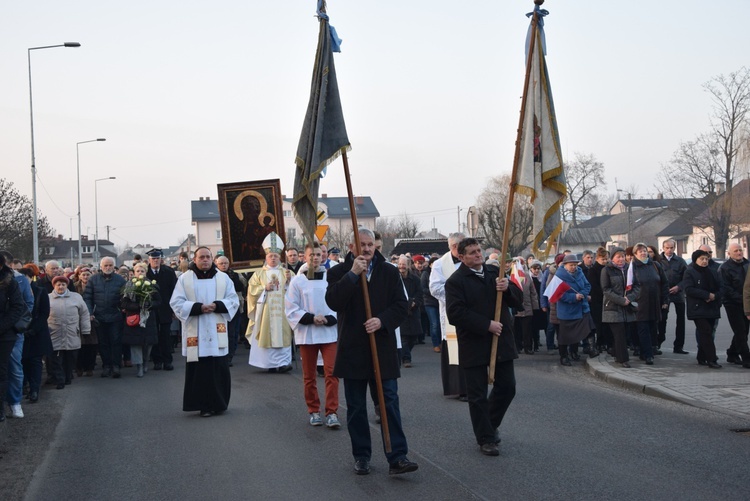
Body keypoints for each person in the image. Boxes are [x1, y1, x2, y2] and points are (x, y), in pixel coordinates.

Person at [325, 228, 417, 476]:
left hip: (382, 347)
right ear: (351, 246)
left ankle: (397, 456)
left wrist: (382, 321)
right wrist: (353, 275)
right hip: (353, 348)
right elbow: (333, 301)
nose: (366, 249)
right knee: (356, 407)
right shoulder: (338, 272)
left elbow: (401, 305)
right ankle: (362, 456)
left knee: (389, 402)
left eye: (370, 244)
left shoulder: (388, 271)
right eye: (361, 244)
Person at [445, 238, 523, 456]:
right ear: (461, 257)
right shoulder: (455, 281)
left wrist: (507, 289)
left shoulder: (494, 272)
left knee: (507, 387)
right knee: (477, 395)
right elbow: (455, 313)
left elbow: (518, 301)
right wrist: (485, 324)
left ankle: (489, 423)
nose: (478, 255)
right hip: (474, 343)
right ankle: (486, 438)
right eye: (472, 252)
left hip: (501, 341)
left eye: (479, 250)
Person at [170, 246, 239, 417]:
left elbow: (233, 300)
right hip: (196, 330)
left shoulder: (223, 278)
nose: (205, 260)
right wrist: (198, 307)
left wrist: (217, 305)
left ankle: (220, 403)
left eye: (208, 257)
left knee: (219, 368)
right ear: (195, 259)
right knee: (200, 371)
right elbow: (176, 302)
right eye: (202, 257)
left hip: (217, 331)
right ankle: (204, 405)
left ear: (212, 259)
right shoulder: (185, 279)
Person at [285, 242, 340, 428]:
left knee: (331, 374)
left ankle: (332, 412)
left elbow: (341, 302)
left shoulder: (331, 277)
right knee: (309, 376)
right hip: (307, 332)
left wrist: (330, 318)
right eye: (312, 255)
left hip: (329, 332)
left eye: (318, 254)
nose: (315, 258)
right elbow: (291, 307)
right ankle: (314, 410)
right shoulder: (298, 281)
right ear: (305, 257)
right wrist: (310, 318)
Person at [246, 232, 294, 373]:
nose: (273, 258)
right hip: (265, 311)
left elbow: (295, 291)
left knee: (283, 334)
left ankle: (284, 363)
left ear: (280, 257)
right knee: (266, 334)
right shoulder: (259, 274)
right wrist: (264, 288)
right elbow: (251, 291)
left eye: (276, 256)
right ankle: (268, 364)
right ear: (266, 257)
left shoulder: (287, 272)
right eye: (270, 256)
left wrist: (290, 282)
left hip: (283, 311)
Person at [429, 232, 468, 398]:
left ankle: (471, 386)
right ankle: (458, 388)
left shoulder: (469, 260)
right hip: (452, 312)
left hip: (470, 312)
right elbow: (435, 288)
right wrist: (457, 297)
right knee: (455, 352)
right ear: (454, 247)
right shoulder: (440, 264)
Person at [84, 257, 126, 378]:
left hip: (115, 316)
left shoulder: (120, 280)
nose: (108, 268)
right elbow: (87, 297)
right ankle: (106, 366)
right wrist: (90, 312)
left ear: (114, 266)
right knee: (103, 343)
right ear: (101, 266)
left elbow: (125, 297)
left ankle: (116, 366)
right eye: (106, 265)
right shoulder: (93, 279)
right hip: (99, 317)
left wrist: (122, 307)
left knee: (116, 342)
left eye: (110, 265)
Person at [47, 276, 91, 389]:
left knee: (70, 357)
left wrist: (85, 330)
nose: (61, 286)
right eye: (58, 284)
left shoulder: (76, 297)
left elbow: (84, 314)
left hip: (72, 332)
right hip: (54, 333)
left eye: (63, 284)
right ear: (54, 286)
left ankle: (68, 376)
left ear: (67, 285)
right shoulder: (48, 298)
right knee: (56, 359)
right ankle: (59, 380)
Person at [552, 254, 594, 366]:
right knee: (565, 336)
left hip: (581, 308)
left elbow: (587, 285)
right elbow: (558, 294)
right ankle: (564, 356)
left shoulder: (580, 272)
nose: (573, 267)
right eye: (571, 265)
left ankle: (575, 352)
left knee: (579, 332)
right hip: (567, 310)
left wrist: (582, 294)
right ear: (565, 265)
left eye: (575, 265)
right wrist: (573, 297)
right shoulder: (559, 276)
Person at [19, 265, 53, 403]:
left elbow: (45, 312)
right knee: (24, 362)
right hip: (22, 331)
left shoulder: (40, 291)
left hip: (37, 332)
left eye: (26, 278)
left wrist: (34, 329)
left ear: (30, 278)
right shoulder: (17, 291)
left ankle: (34, 390)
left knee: (36, 362)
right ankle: (26, 386)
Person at [684, 249, 723, 368]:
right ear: (696, 260)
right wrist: (706, 295)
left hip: (712, 307)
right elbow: (689, 289)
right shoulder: (690, 272)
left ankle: (701, 357)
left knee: (708, 333)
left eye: (706, 259)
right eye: (702, 259)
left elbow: (721, 287)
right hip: (697, 308)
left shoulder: (712, 272)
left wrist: (714, 296)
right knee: (705, 331)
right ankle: (712, 359)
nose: (705, 261)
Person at [631, 243, 669, 365]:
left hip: (655, 302)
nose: (643, 253)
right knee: (643, 329)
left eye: (644, 251)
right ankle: (648, 355)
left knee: (653, 328)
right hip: (640, 303)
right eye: (640, 251)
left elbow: (664, 283)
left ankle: (645, 352)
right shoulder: (632, 267)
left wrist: (665, 300)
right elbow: (628, 286)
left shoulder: (655, 265)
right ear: (635, 254)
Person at [601, 247, 639, 368]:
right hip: (612, 306)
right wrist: (621, 300)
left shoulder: (629, 269)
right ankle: (623, 359)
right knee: (619, 333)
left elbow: (637, 286)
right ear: (612, 258)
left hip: (627, 307)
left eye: (623, 256)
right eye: (618, 256)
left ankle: (617, 354)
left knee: (625, 333)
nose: (621, 259)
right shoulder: (607, 270)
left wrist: (630, 298)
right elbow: (606, 290)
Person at [121, 263, 160, 378]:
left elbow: (159, 301)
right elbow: (123, 303)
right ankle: (139, 366)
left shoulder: (152, 285)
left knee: (148, 344)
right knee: (135, 344)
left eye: (142, 271)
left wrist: (149, 304)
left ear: (146, 272)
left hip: (148, 318)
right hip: (134, 319)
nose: (140, 273)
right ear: (134, 272)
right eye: (138, 271)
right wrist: (137, 306)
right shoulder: (128, 286)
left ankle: (145, 361)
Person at [0, 253, 26, 422]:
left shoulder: (10, 282)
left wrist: (2, 326)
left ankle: (1, 407)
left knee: (2, 370)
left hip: (4, 334)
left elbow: (18, 307)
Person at [146, 248, 178, 372]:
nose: (155, 261)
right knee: (154, 336)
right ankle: (157, 361)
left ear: (161, 259)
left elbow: (175, 291)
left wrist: (174, 309)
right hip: (151, 310)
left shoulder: (168, 272)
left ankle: (167, 361)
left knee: (165, 336)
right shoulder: (146, 273)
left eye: (157, 258)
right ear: (149, 260)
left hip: (166, 308)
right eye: (153, 259)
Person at [721, 243, 750, 367]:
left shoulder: (747, 264)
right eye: (735, 251)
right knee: (740, 331)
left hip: (746, 302)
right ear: (729, 254)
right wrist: (741, 298)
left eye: (740, 250)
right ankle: (746, 358)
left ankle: (732, 352)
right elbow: (726, 288)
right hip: (732, 303)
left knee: (744, 330)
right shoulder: (725, 268)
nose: (739, 253)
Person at [659, 239, 688, 354]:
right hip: (664, 293)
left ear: (674, 248)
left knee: (680, 321)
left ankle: (679, 346)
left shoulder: (680, 261)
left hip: (678, 293)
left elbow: (686, 278)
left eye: (671, 248)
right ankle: (659, 341)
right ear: (663, 248)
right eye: (667, 248)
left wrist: (679, 287)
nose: (669, 250)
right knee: (662, 319)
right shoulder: (658, 261)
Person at [214, 255, 244, 366]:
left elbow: (241, 288)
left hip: (233, 307)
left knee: (232, 333)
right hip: (219, 308)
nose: (223, 265)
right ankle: (221, 355)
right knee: (221, 332)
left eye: (225, 263)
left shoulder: (235, 275)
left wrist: (235, 280)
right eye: (221, 263)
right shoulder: (214, 276)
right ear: (216, 264)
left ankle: (229, 356)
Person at [397, 255, 423, 367]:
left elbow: (420, 293)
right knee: (403, 337)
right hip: (400, 311)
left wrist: (415, 302)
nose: (401, 267)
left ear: (408, 265)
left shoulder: (415, 279)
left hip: (413, 311)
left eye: (403, 264)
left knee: (413, 337)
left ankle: (405, 354)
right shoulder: (395, 279)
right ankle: (406, 359)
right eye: (400, 264)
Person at [73, 268, 98, 377]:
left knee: (91, 344)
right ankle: (79, 367)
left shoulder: (95, 286)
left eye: (88, 274)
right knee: (79, 344)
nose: (85, 277)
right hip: (77, 318)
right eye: (83, 274)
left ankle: (90, 367)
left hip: (92, 317)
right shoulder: (74, 287)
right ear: (79, 276)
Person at [512, 258, 538, 355]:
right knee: (517, 330)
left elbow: (533, 293)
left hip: (527, 308)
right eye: (517, 263)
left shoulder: (527, 276)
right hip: (516, 309)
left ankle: (528, 347)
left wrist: (535, 307)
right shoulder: (512, 276)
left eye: (521, 263)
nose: (519, 265)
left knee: (527, 331)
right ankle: (518, 347)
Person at [421, 256, 441, 353]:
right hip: (429, 302)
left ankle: (441, 342)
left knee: (441, 324)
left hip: (440, 301)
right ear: (430, 265)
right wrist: (433, 292)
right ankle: (435, 344)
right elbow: (423, 288)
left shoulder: (441, 273)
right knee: (434, 324)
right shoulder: (426, 274)